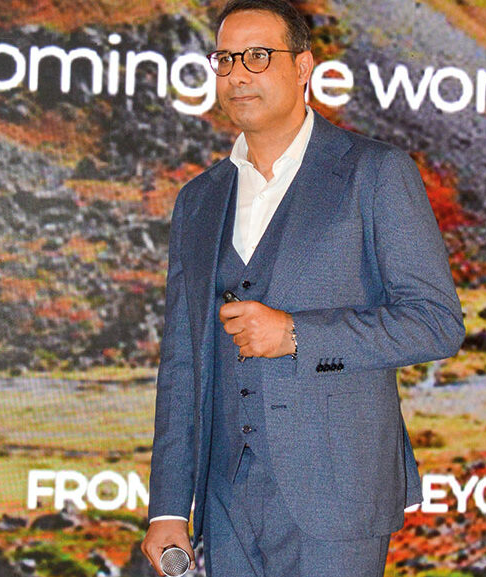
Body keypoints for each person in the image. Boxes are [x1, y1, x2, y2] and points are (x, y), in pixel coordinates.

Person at [140, 0, 465, 575]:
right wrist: (167, 506)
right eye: (225, 59)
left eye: (258, 57)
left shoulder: (374, 172)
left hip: (338, 497)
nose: (237, 74)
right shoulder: (199, 198)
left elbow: (436, 323)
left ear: (303, 67)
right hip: (225, 501)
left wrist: (297, 335)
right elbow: (182, 362)